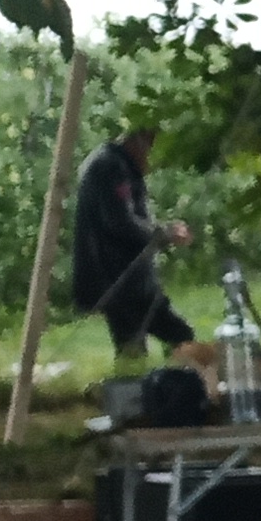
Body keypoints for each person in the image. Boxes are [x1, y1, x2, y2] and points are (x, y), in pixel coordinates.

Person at [69, 125, 197, 361]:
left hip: (125, 278)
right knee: (176, 336)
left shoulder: (114, 164)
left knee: (137, 346)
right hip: (120, 278)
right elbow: (120, 221)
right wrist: (165, 234)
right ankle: (175, 379)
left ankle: (156, 377)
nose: (151, 160)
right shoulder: (111, 167)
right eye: (150, 148)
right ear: (139, 142)